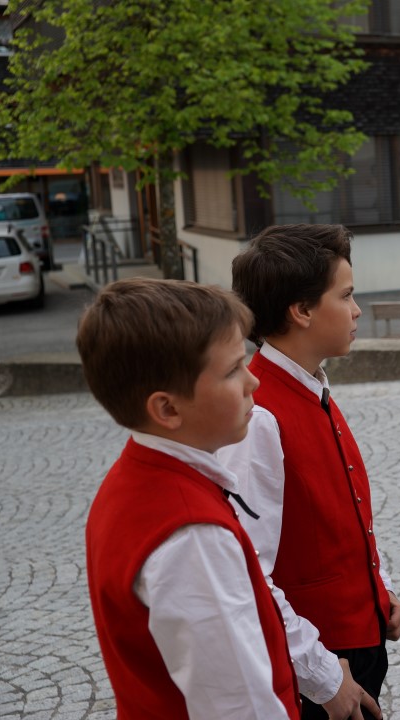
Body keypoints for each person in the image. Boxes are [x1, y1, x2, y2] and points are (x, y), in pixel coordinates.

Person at [79, 277, 301, 719]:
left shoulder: (132, 480)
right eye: (233, 370)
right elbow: (238, 705)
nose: (253, 381)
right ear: (167, 409)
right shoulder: (192, 535)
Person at [219, 224, 400, 720]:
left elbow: (339, 517)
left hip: (356, 642)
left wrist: (379, 586)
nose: (357, 309)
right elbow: (249, 572)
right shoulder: (260, 416)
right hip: (321, 662)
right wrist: (322, 677)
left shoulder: (312, 386)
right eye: (345, 296)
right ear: (301, 311)